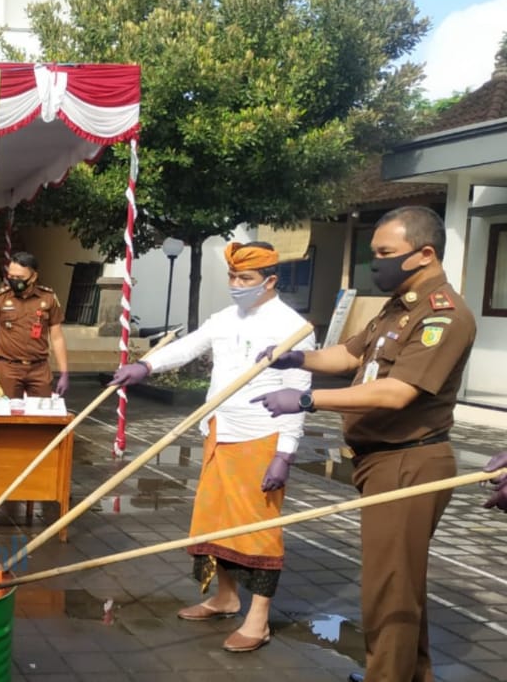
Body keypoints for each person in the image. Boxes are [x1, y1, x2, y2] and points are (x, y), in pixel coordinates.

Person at [251, 207, 476, 682]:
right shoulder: (398, 305)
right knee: (398, 582)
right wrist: (297, 357)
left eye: (385, 254)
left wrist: (308, 399)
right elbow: (351, 353)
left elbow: (397, 393)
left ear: (425, 254)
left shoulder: (443, 315)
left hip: (410, 461)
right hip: (381, 462)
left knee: (388, 587)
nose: (376, 263)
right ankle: (409, 673)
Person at [109, 241, 315, 653]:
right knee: (214, 521)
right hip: (219, 431)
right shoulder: (225, 317)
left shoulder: (292, 328)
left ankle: (258, 621)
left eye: (247, 279)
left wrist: (285, 452)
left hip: (262, 437)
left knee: (258, 532)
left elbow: (298, 390)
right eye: (233, 277)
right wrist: (146, 365)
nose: (237, 285)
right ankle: (225, 597)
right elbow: (190, 347)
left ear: (270, 280)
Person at [0, 252, 69, 398]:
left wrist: (64, 372)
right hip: (9, 368)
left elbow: (57, 338)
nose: (14, 281)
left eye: (19, 278)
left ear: (33, 277)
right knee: (8, 416)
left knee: (42, 416)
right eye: (11, 277)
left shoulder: (48, 298)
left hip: (39, 368)